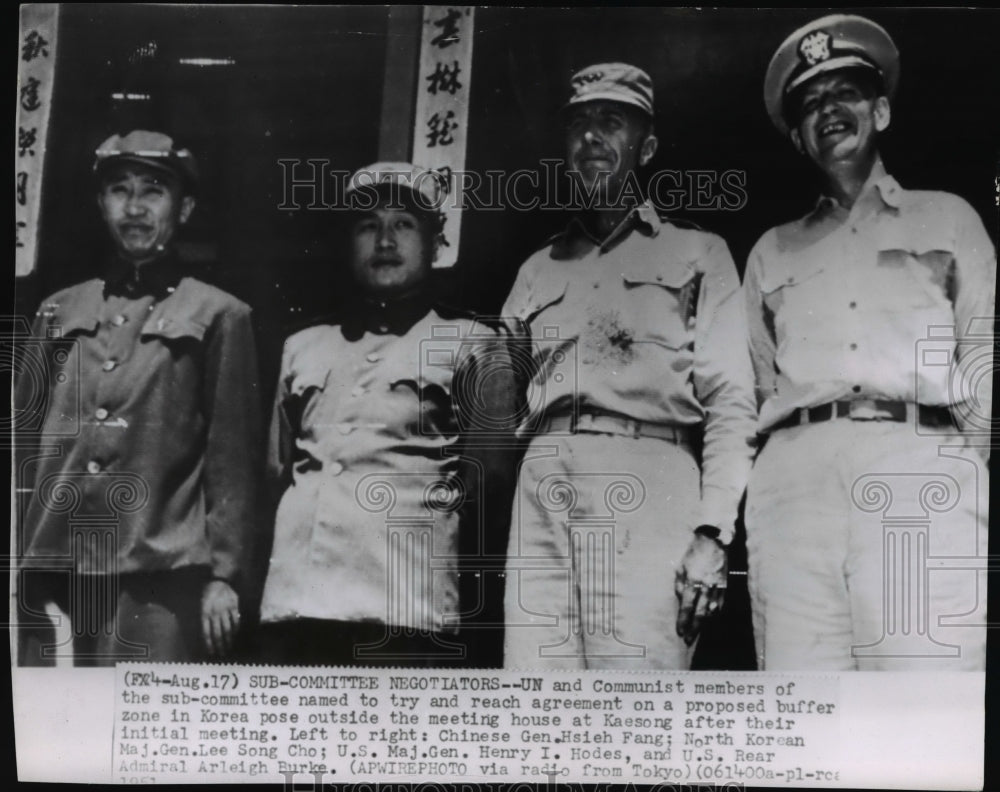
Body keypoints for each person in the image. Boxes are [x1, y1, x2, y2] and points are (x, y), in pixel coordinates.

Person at [744, 15, 995, 670]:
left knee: (924, 700)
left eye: (845, 92)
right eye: (810, 103)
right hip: (794, 488)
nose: (829, 110)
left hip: (920, 469)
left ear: (879, 110)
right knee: (803, 717)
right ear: (798, 136)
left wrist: (968, 477)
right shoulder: (772, 250)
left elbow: (985, 362)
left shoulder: (947, 217)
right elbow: (757, 385)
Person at [501, 63, 757, 669]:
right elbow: (497, 408)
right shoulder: (535, 270)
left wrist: (713, 532)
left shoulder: (698, 252)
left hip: (650, 482)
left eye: (610, 122)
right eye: (578, 124)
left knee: (637, 704)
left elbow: (730, 404)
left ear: (645, 147)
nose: (591, 137)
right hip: (541, 486)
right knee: (535, 708)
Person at [15, 130, 262, 665]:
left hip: (159, 576)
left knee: (138, 735)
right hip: (55, 567)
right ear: (100, 204)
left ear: (185, 207)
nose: (134, 206)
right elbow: (21, 448)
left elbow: (233, 462)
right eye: (118, 189)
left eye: (153, 190)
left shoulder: (220, 314)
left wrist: (226, 576)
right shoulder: (58, 311)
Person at [256, 162, 518, 666]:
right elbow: (276, 470)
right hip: (300, 601)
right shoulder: (304, 345)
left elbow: (487, 488)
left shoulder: (474, 344)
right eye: (367, 225)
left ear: (436, 242)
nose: (384, 240)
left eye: (404, 224)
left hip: (404, 606)